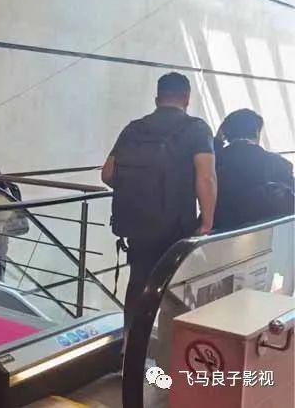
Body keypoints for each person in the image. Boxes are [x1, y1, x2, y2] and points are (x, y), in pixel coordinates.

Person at [101, 72, 217, 330]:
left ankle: (131, 342)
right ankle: (166, 344)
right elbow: (206, 177)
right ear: (186, 99)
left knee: (138, 282)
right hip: (176, 226)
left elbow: (107, 174)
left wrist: (139, 190)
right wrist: (207, 222)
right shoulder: (196, 128)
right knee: (176, 286)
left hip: (137, 223)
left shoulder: (134, 128)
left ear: (157, 99)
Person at [214, 109, 294, 230]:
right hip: (271, 231)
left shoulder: (213, 164)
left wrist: (216, 141)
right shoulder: (278, 163)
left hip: (222, 231)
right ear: (257, 132)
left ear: (225, 133)